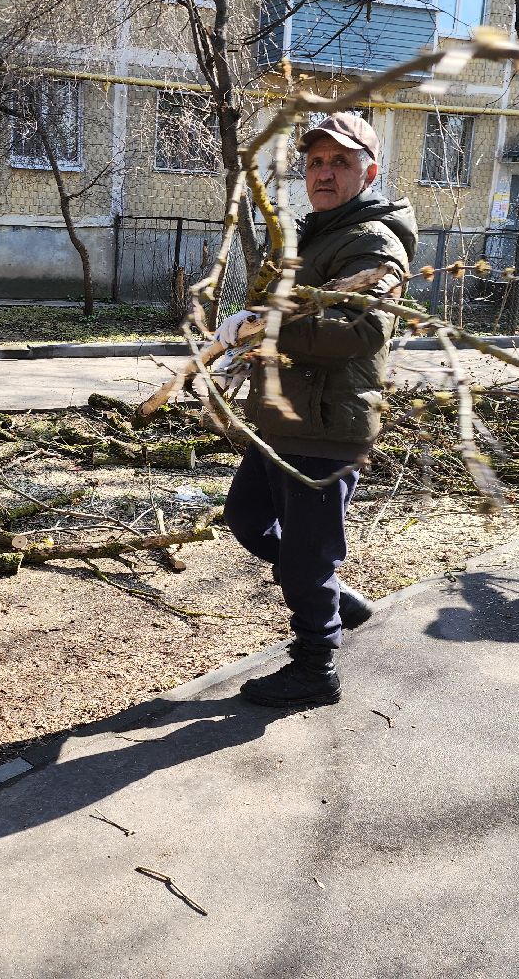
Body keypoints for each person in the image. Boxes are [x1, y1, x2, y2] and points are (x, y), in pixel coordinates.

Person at [213, 112, 416, 707]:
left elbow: (357, 333)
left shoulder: (371, 241)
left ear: (369, 171)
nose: (324, 172)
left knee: (307, 554)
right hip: (287, 418)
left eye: (341, 162)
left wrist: (262, 329)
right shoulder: (322, 231)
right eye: (316, 161)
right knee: (247, 519)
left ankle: (314, 669)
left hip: (326, 426)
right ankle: (335, 598)